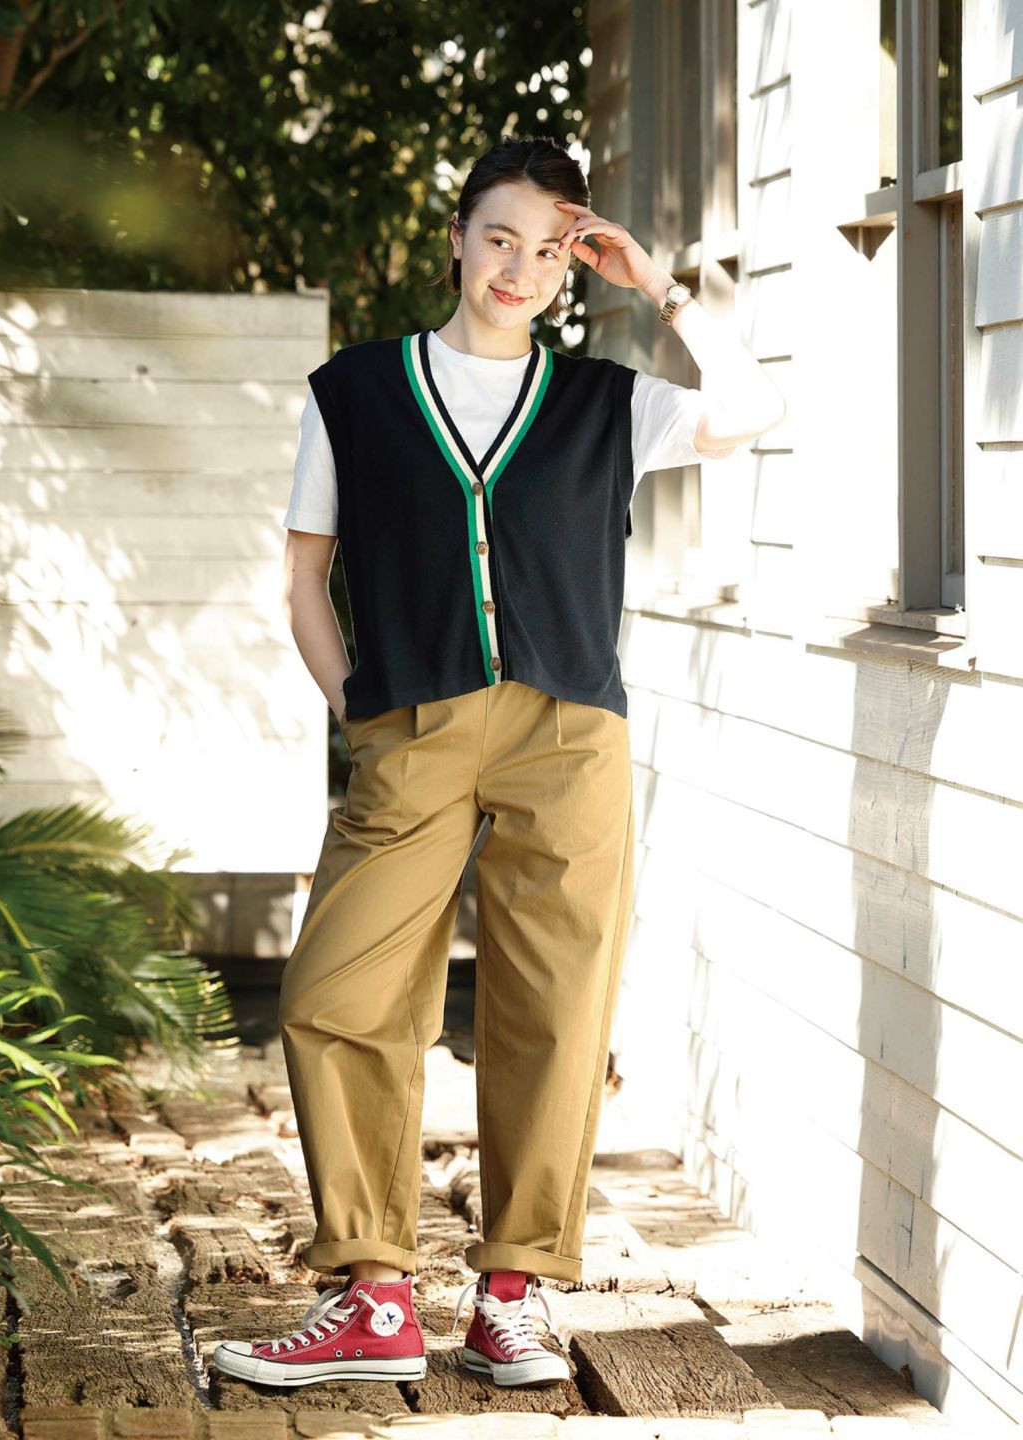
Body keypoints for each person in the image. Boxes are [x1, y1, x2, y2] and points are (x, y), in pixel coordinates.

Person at [212, 133, 786, 1392]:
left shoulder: (604, 402)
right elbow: (306, 580)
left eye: (546, 251)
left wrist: (660, 288)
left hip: (569, 735)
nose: (517, 270)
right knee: (335, 996)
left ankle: (509, 1299)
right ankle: (373, 1298)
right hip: (409, 727)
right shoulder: (356, 393)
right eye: (499, 239)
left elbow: (755, 412)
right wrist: (361, 713)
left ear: (573, 267)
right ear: (459, 239)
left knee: (555, 1009)